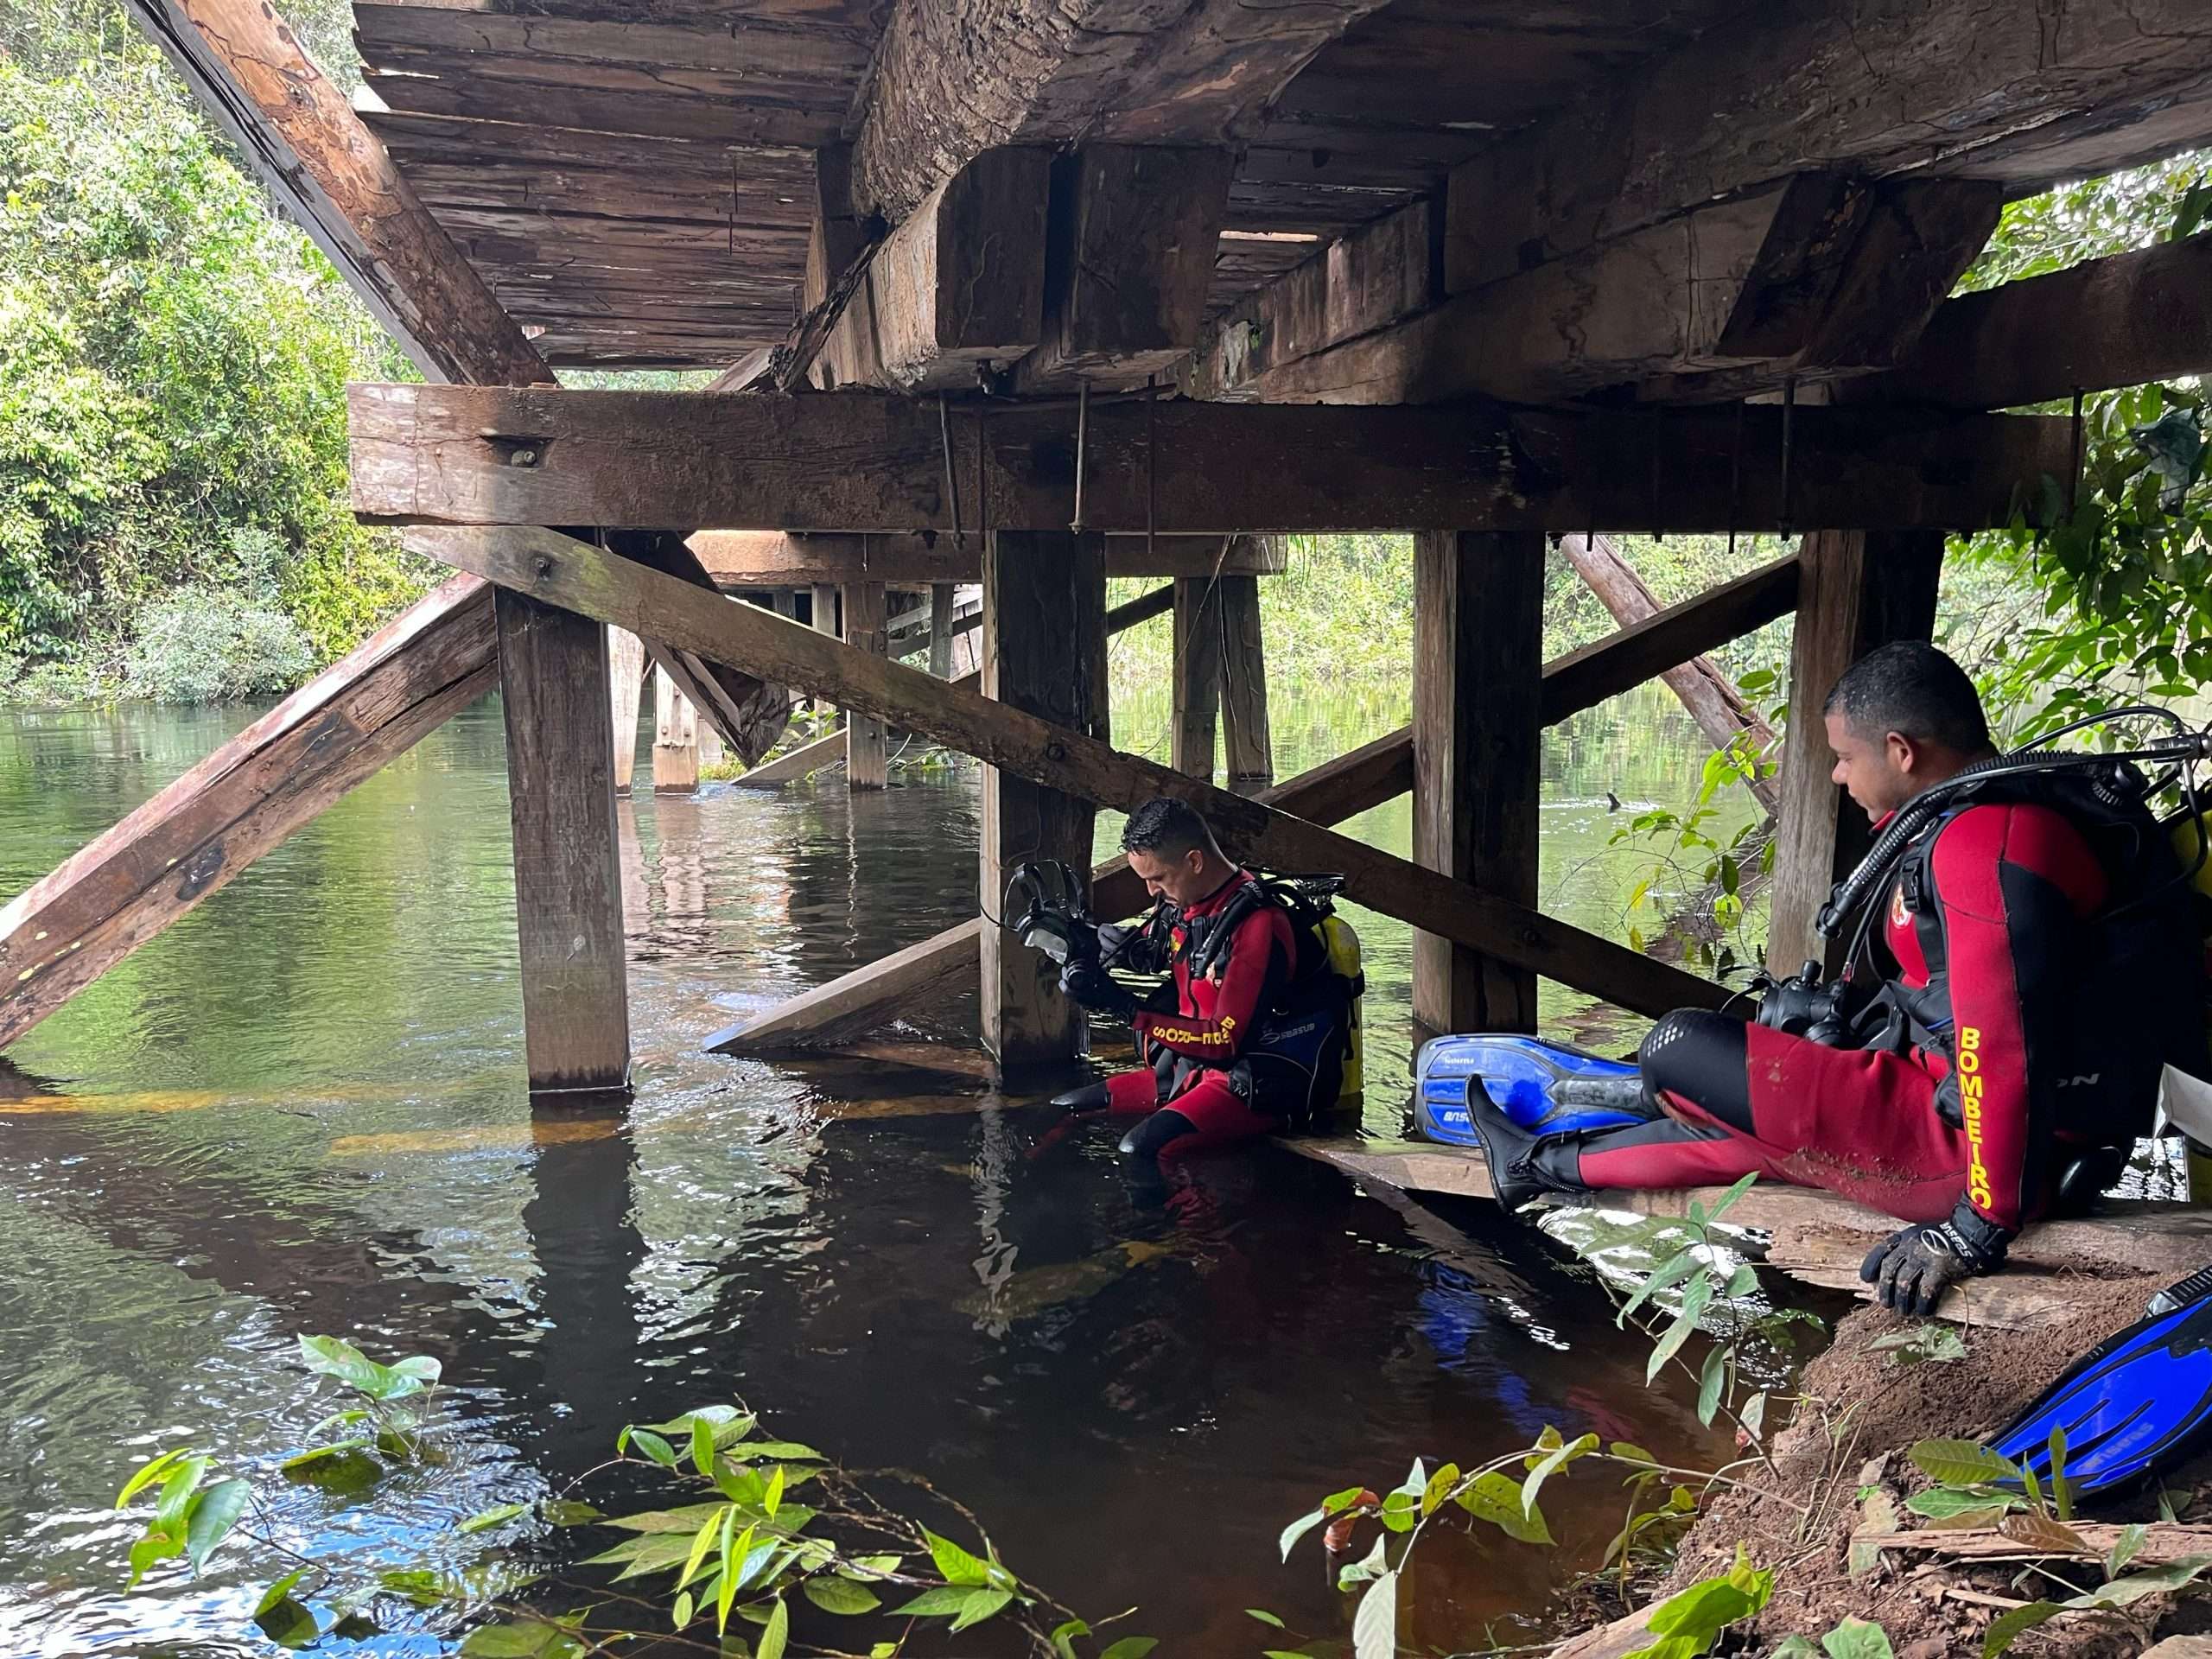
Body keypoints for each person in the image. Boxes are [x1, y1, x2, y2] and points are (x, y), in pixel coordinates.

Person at [1462, 641, 2207, 1316]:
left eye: (1845, 757)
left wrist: (1976, 1228)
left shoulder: (1982, 843)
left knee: (1678, 1046)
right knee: (1750, 1124)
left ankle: (1566, 1144)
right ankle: (1535, 1167)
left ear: (1902, 751)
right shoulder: (1983, 818)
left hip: (1979, 1157)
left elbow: (2001, 1047)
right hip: (1981, 1123)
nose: (1838, 774)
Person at [1052, 798, 1358, 1166]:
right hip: (1195, 1068)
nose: (1151, 892)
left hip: (1252, 1082)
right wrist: (1092, 943)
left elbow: (1225, 1042)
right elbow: (1158, 954)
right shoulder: (1184, 905)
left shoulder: (1257, 925)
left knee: (1140, 1150)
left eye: (1157, 878)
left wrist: (1125, 1008)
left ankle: (1197, 1205)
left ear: (1194, 861)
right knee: (1063, 1110)